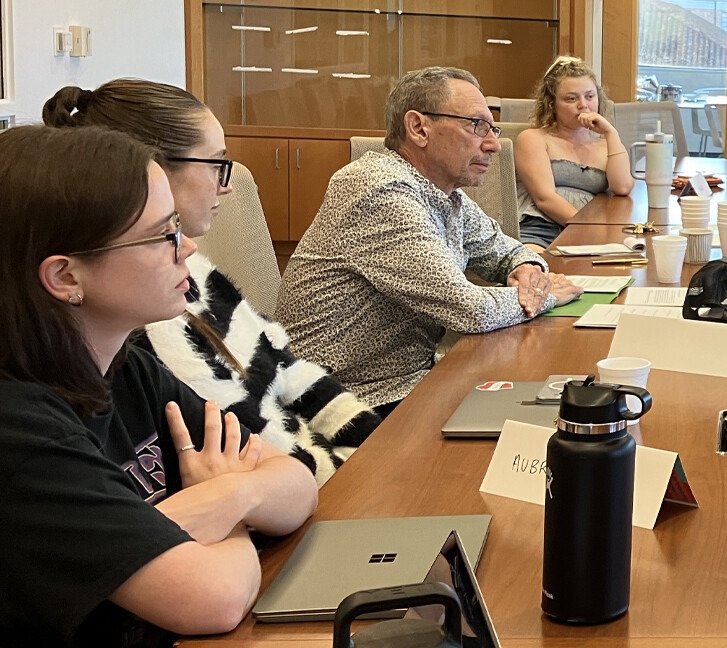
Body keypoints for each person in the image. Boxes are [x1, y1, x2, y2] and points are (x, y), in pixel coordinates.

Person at [0, 126, 317, 646]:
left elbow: (296, 483)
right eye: (162, 234)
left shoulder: (127, 367)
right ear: (65, 278)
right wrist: (228, 502)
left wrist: (228, 492)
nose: (187, 246)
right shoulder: (20, 431)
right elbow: (212, 599)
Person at [43, 79, 382, 484]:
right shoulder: (141, 324)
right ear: (152, 171)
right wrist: (361, 475)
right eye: (217, 164)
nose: (228, 185)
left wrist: (376, 446)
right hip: (306, 489)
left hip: (310, 476)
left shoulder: (192, 271)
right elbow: (249, 449)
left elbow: (287, 370)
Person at [276, 66, 583, 411]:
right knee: (542, 415)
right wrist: (544, 296)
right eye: (475, 125)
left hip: (411, 380)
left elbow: (503, 250)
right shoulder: (379, 190)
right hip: (347, 400)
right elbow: (469, 310)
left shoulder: (443, 193)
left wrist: (528, 266)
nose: (494, 144)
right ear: (419, 128)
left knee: (551, 399)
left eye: (491, 127)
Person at [512, 56, 634, 249]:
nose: (583, 105)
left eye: (590, 96)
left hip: (592, 230)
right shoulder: (533, 138)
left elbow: (623, 187)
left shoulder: (606, 145)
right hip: (541, 228)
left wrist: (611, 133)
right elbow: (545, 199)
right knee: (535, 271)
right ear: (552, 104)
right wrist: (589, 230)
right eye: (571, 98)